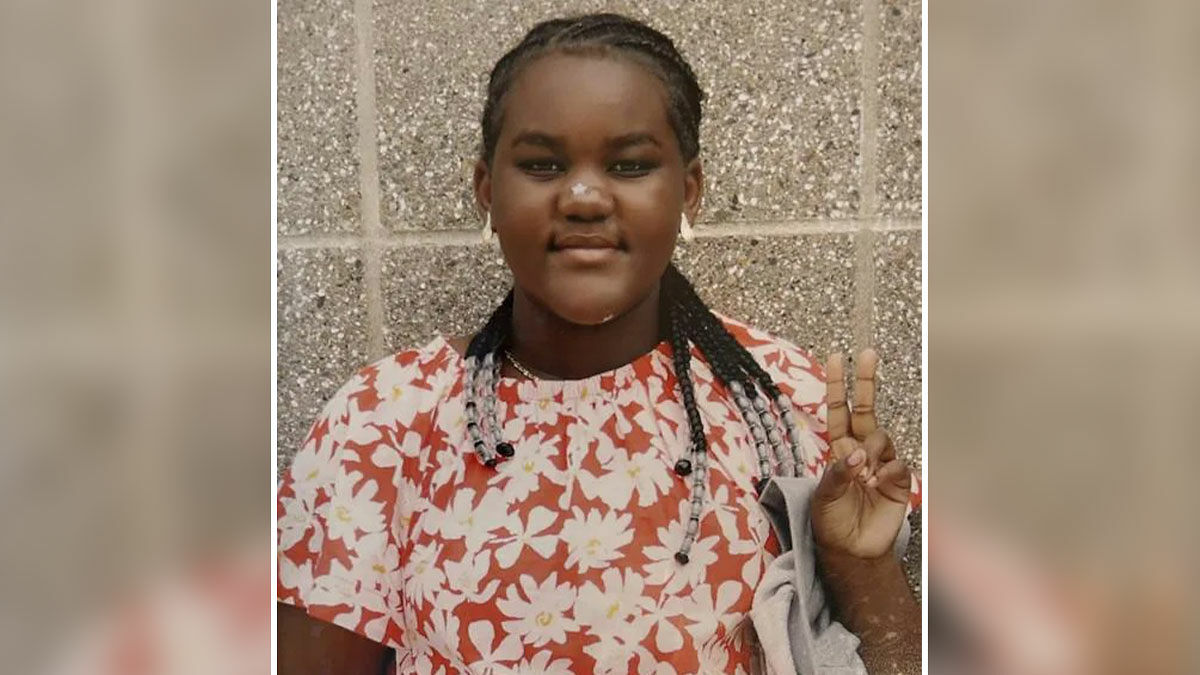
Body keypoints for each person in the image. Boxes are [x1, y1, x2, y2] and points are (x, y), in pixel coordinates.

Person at [278, 12, 920, 674]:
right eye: (542, 164)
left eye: (630, 165)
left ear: (688, 192)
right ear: (487, 191)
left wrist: (864, 568)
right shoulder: (381, 422)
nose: (584, 197)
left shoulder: (783, 406)